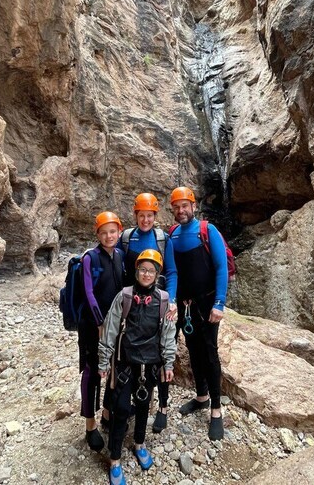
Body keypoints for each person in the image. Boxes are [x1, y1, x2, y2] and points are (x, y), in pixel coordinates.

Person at [99, 249, 177, 485]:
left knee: (143, 407)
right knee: (121, 409)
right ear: (136, 271)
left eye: (151, 271)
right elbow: (110, 329)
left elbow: (168, 334)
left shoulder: (163, 301)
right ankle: (114, 459)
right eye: (143, 269)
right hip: (125, 363)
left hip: (150, 365)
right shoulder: (124, 297)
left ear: (157, 274)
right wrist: (104, 361)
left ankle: (140, 443)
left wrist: (169, 363)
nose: (146, 274)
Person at [168, 186, 228, 440]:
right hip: (186, 305)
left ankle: (216, 409)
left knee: (209, 352)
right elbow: (171, 272)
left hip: (207, 303)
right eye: (176, 207)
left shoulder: (207, 230)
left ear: (193, 206)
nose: (181, 210)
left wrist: (219, 303)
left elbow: (221, 267)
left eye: (185, 205)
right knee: (192, 348)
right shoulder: (172, 235)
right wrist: (172, 300)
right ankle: (202, 396)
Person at [118, 192, 179, 433]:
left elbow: (171, 272)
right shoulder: (126, 238)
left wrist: (171, 300)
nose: (145, 220)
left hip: (158, 303)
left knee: (161, 354)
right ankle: (133, 400)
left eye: (149, 215)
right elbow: (120, 270)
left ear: (155, 215)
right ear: (135, 215)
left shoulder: (162, 239)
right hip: (133, 305)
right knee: (131, 350)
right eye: (141, 215)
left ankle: (162, 406)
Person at [79, 211, 125, 452]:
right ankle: (90, 425)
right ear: (97, 234)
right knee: (92, 371)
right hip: (93, 326)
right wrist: (100, 323)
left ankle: (107, 412)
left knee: (113, 368)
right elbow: (89, 293)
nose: (109, 236)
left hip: (115, 324)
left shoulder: (120, 256)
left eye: (113, 231)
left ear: (119, 232)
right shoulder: (90, 258)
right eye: (104, 232)